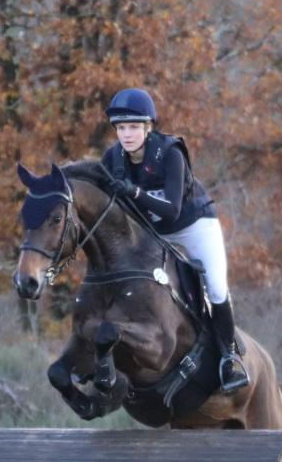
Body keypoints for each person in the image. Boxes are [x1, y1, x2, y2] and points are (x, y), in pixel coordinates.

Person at [99, 87, 249, 393]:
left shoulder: (170, 153)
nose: (126, 135)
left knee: (216, 287)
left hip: (193, 225)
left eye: (133, 127)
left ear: (148, 127)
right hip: (152, 232)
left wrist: (135, 193)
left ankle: (229, 358)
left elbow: (172, 209)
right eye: (121, 128)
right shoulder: (112, 158)